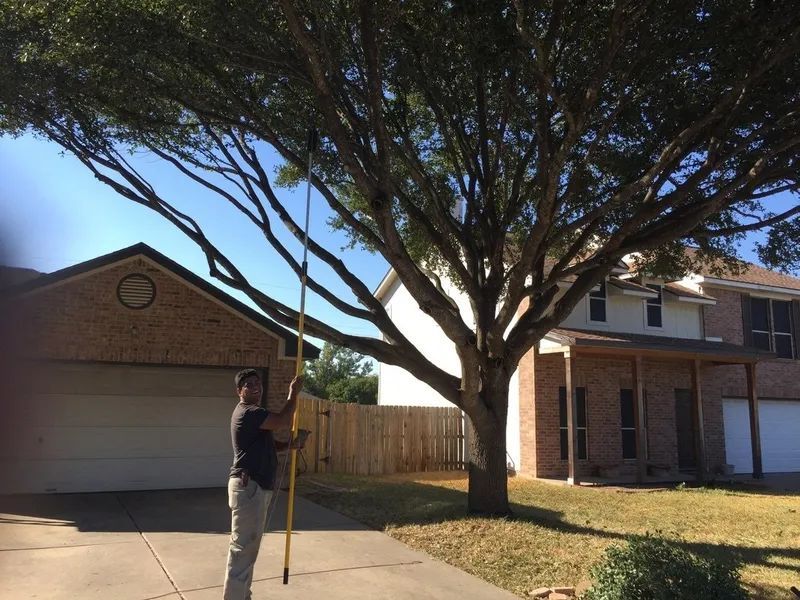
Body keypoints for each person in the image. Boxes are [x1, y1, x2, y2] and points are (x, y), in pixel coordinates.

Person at [223, 369, 303, 600]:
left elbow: (267, 445)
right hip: (250, 487)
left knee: (248, 550)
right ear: (240, 391)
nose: (255, 386)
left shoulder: (254, 415)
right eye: (248, 384)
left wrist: (290, 446)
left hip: (254, 488)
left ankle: (241, 596)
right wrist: (293, 393)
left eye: (258, 382)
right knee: (243, 550)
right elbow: (283, 420)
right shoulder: (248, 412)